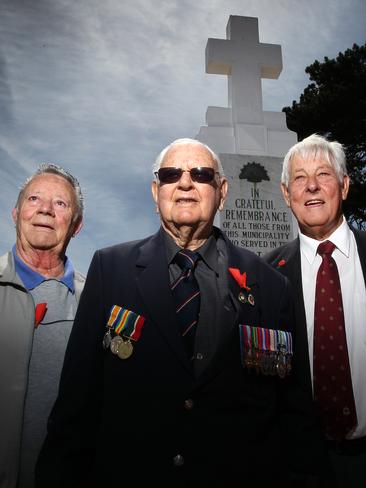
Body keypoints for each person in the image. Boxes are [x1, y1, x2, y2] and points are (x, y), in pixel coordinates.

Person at [36, 139, 323, 488]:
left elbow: (294, 416)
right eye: (172, 174)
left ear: (222, 191)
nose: (185, 182)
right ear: (157, 192)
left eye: (200, 174)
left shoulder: (271, 286)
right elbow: (75, 406)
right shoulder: (111, 270)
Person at [264, 133, 366, 486]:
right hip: (300, 467)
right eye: (299, 178)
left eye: (323, 174)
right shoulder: (265, 276)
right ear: (285, 193)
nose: (311, 187)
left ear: (344, 185)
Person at [0, 163, 85, 488]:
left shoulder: (98, 299)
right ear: (16, 212)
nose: (46, 210)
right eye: (34, 199)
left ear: (76, 225)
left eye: (60, 203)